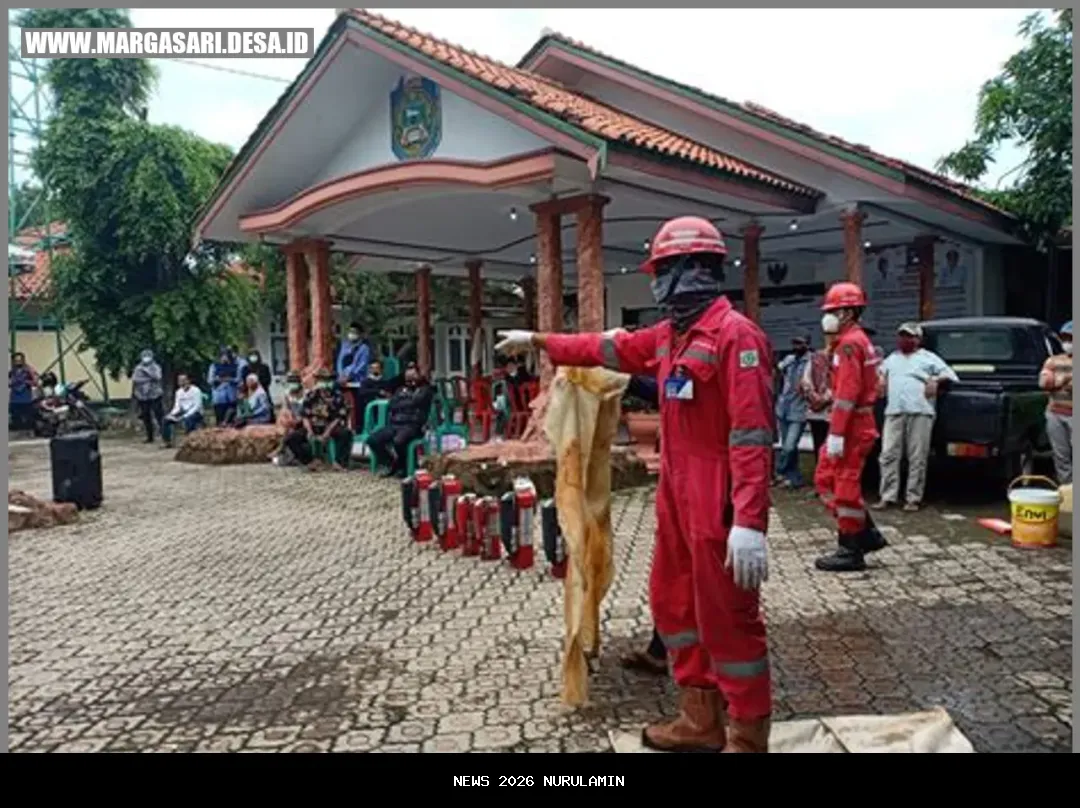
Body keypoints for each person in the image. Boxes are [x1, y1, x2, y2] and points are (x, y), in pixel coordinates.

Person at [496, 215, 774, 753]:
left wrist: (749, 521)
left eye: (664, 270)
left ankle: (747, 736)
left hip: (717, 498)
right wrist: (539, 339)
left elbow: (751, 436)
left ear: (696, 270)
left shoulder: (737, 337)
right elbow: (611, 349)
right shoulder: (673, 334)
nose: (657, 283)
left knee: (729, 621)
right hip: (674, 491)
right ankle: (700, 719)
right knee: (673, 603)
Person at [812, 283, 888, 573]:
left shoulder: (848, 344)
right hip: (858, 423)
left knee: (841, 487)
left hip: (853, 425)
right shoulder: (856, 340)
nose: (827, 317)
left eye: (832, 311)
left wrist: (837, 433)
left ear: (846, 313)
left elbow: (847, 395)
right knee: (828, 479)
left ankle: (851, 548)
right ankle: (866, 535)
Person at [873, 322, 958, 511]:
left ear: (918, 339)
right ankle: (888, 496)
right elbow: (879, 374)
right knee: (888, 455)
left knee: (917, 456)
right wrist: (880, 380)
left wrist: (935, 380)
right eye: (902, 336)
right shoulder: (892, 359)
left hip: (920, 411)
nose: (904, 339)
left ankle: (913, 497)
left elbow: (950, 374)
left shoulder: (928, 358)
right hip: (894, 411)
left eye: (909, 336)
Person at [366, 362, 435, 478]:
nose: (410, 380)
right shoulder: (400, 389)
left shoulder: (426, 390)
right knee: (372, 440)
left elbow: (416, 402)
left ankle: (404, 467)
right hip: (395, 424)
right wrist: (406, 401)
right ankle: (391, 462)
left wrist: (404, 401)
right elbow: (392, 404)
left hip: (413, 425)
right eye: (408, 377)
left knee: (399, 441)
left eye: (413, 376)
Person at [286, 368, 351, 470]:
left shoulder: (338, 396)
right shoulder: (312, 395)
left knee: (346, 434)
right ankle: (309, 461)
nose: (325, 383)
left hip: (330, 425)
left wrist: (327, 432)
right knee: (291, 438)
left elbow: (338, 417)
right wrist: (309, 431)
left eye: (327, 380)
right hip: (313, 425)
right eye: (322, 380)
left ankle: (339, 462)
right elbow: (305, 415)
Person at [801, 315, 840, 474]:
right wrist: (814, 397)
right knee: (818, 446)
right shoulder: (816, 357)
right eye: (827, 334)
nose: (830, 338)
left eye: (833, 334)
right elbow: (806, 380)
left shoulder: (842, 355)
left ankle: (834, 480)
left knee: (833, 447)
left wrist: (826, 398)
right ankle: (821, 480)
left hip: (834, 411)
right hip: (816, 412)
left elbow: (841, 381)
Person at [774, 334, 811, 489]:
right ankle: (794, 478)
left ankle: (779, 471)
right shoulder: (789, 359)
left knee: (789, 445)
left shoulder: (811, 361)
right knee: (790, 447)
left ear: (807, 344)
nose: (796, 347)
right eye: (794, 343)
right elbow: (778, 371)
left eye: (800, 343)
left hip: (799, 409)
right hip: (783, 407)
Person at [1039, 320, 1072, 484]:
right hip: (1056, 413)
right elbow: (1045, 383)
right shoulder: (1053, 361)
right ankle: (1068, 491)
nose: (1068, 342)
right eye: (1065, 338)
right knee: (1061, 456)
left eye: (1071, 338)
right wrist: (1061, 381)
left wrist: (1060, 381)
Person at [337, 323, 371, 429]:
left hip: (357, 381)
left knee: (357, 403)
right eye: (351, 332)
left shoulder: (364, 348)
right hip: (343, 380)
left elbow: (361, 366)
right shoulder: (344, 345)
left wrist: (349, 375)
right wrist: (341, 375)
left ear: (360, 334)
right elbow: (339, 361)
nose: (352, 334)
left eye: (355, 333)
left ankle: (358, 426)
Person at [161, 373, 204, 448]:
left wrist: (185, 416)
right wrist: (172, 414)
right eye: (179, 380)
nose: (181, 382)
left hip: (195, 412)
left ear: (188, 381)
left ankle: (189, 441)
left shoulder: (196, 390)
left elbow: (197, 406)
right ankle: (167, 442)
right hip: (182, 412)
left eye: (183, 380)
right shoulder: (178, 392)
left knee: (189, 420)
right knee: (165, 420)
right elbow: (177, 406)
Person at [131, 349, 165, 444]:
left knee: (159, 415)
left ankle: (164, 435)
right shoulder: (138, 368)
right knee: (146, 416)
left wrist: (146, 372)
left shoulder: (156, 367)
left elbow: (158, 377)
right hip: (142, 396)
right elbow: (135, 379)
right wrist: (149, 379)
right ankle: (149, 437)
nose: (146, 358)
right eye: (144, 356)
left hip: (155, 395)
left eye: (148, 356)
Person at [208, 346, 241, 425]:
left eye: (226, 355)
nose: (224, 357)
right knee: (220, 421)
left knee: (231, 421)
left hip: (231, 397)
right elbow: (210, 380)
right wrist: (218, 379)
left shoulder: (235, 366)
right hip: (219, 397)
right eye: (222, 355)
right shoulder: (214, 366)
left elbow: (238, 379)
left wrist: (229, 379)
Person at [9, 352, 38, 432]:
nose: (18, 362)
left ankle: (29, 432)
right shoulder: (12, 372)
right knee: (15, 418)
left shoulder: (28, 370)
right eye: (16, 360)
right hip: (14, 399)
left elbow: (35, 382)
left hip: (26, 399)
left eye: (19, 360)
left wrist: (26, 382)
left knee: (28, 418)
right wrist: (12, 382)